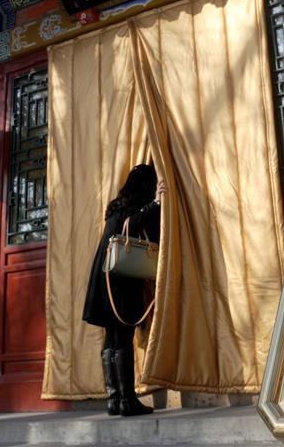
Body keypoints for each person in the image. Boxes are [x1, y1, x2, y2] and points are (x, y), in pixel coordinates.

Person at [83, 164, 166, 417]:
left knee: (111, 338)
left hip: (105, 278)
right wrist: (156, 203)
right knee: (122, 337)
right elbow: (134, 223)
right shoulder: (130, 210)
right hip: (120, 281)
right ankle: (127, 400)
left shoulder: (116, 208)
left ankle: (114, 399)